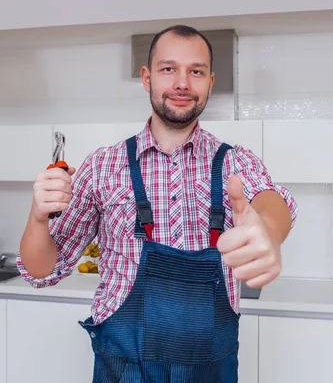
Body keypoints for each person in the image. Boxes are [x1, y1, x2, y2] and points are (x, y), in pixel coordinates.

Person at [17, 24, 298, 383]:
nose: (182, 83)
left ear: (210, 82)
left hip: (211, 371)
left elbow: (272, 201)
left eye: (195, 71)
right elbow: (41, 269)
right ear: (147, 78)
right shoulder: (103, 166)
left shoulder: (234, 162)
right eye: (169, 69)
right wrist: (38, 217)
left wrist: (269, 232)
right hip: (122, 370)